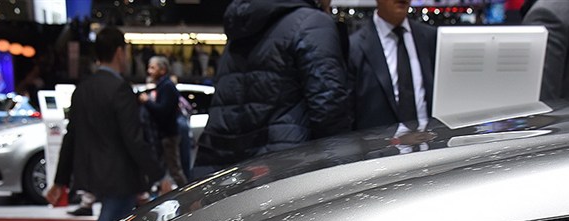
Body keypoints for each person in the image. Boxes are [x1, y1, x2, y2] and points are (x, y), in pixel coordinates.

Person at [193, 0, 350, 178]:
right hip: (286, 169)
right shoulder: (312, 23)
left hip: (224, 170)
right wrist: (340, 171)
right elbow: (329, 108)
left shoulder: (242, 26)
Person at [46, 27, 163, 221]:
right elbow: (134, 138)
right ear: (119, 52)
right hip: (120, 176)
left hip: (91, 173)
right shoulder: (120, 89)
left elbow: (70, 136)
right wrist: (158, 175)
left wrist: (59, 181)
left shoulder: (82, 89)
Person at [347, 0, 437, 132]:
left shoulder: (430, 38)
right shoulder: (354, 47)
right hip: (378, 142)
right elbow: (348, 113)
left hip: (431, 140)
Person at [139, 56, 187, 189]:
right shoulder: (163, 86)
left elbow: (163, 110)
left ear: (162, 70)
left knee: (174, 170)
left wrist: (147, 101)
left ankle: (188, 194)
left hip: (168, 135)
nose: (149, 71)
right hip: (164, 135)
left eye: (153, 68)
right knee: (165, 170)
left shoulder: (167, 86)